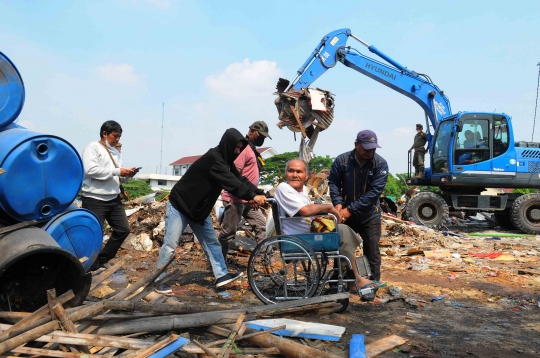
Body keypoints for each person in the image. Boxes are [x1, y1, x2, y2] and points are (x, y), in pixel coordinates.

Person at [155, 128, 267, 294]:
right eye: (236, 148)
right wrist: (251, 195)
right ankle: (158, 280)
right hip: (181, 205)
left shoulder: (226, 162)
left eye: (240, 149)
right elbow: (233, 184)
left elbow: (240, 179)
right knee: (171, 245)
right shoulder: (214, 160)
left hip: (199, 209)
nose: (237, 152)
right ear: (227, 144)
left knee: (212, 243)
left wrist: (258, 192)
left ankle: (221, 276)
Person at [274, 158, 386, 295]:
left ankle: (352, 279)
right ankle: (354, 280)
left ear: (306, 175)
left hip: (307, 234)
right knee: (343, 232)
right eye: (291, 171)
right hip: (298, 239)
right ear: (286, 173)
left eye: (299, 171)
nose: (295, 175)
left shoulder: (301, 190)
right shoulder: (284, 188)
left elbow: (309, 210)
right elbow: (305, 211)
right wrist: (328, 207)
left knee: (343, 231)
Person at [328, 130, 389, 301]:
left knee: (372, 250)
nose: (370, 152)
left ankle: (371, 285)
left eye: (373, 149)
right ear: (356, 145)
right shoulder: (342, 161)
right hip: (347, 215)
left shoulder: (380, 164)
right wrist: (338, 203)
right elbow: (333, 183)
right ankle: (340, 282)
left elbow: (373, 193)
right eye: (366, 149)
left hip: (370, 215)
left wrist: (349, 209)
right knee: (343, 249)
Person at [81, 121, 136, 271]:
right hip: (94, 199)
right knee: (94, 235)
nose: (117, 139)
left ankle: (102, 259)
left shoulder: (116, 152)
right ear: (104, 134)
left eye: (119, 137)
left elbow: (118, 176)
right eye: (115, 136)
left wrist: (128, 174)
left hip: (113, 198)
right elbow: (91, 170)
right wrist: (118, 171)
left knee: (123, 230)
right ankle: (89, 266)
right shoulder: (93, 148)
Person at [218, 121, 271, 260]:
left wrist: (254, 195)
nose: (262, 139)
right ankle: (219, 265)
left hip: (249, 199)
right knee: (228, 233)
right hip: (236, 199)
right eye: (261, 135)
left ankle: (267, 263)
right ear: (252, 131)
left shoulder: (252, 149)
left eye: (265, 137)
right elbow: (236, 175)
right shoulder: (243, 149)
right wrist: (250, 196)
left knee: (261, 226)